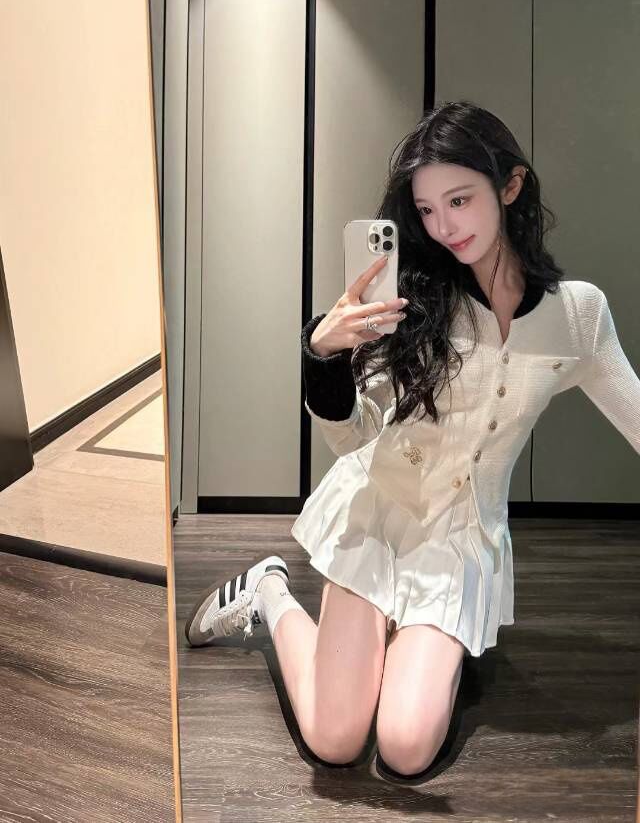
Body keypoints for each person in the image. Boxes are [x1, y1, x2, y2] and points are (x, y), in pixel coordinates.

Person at [184, 100, 640, 784]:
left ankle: (419, 638)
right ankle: (269, 592)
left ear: (510, 186)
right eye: (426, 209)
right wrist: (324, 357)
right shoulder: (414, 302)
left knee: (404, 747)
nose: (443, 227)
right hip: (378, 514)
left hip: (459, 540)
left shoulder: (577, 316)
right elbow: (355, 437)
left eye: (459, 200)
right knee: (335, 739)